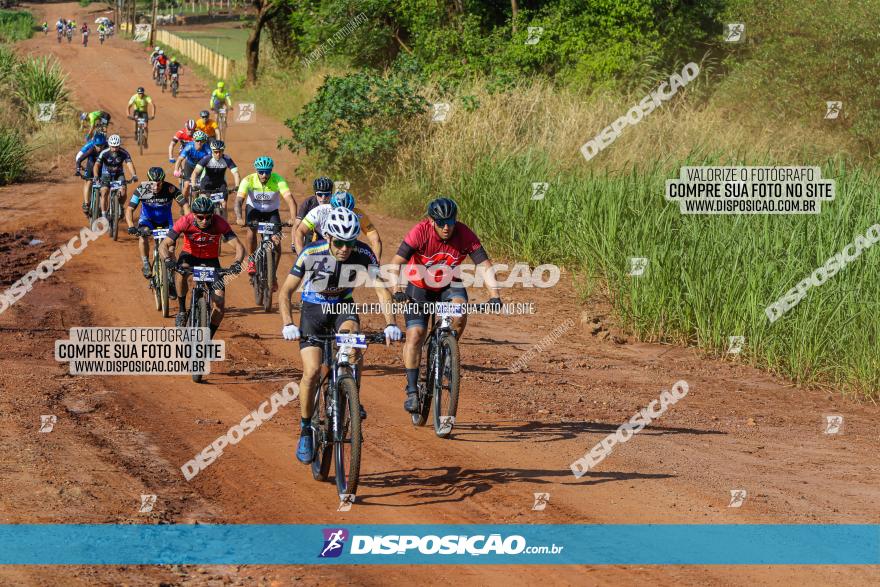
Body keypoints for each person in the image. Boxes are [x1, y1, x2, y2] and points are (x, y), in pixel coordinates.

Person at [278, 207, 401, 463]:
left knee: (354, 344)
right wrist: (288, 323)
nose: (345, 248)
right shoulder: (312, 252)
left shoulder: (363, 253)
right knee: (312, 372)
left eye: (351, 242)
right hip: (313, 309)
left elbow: (382, 290)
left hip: (342, 307)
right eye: (340, 242)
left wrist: (391, 323)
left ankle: (351, 393)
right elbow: (285, 292)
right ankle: (305, 430)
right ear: (329, 238)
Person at [387, 197, 502, 413]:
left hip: (449, 283)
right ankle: (412, 390)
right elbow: (395, 264)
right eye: (441, 222)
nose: (446, 227)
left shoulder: (464, 233)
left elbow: (485, 265)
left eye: (450, 221)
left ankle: (448, 352)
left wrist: (495, 295)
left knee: (459, 312)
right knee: (416, 334)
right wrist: (397, 290)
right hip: (418, 285)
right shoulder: (419, 232)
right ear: (431, 221)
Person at [158, 195, 246, 332]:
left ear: (212, 215)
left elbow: (239, 247)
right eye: (200, 217)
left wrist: (237, 263)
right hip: (189, 255)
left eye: (208, 217)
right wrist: (168, 259)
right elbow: (164, 244)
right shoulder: (185, 221)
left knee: (220, 304)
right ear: (194, 215)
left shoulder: (219, 223)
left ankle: (207, 338)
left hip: (210, 260)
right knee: (181, 274)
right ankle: (182, 311)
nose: (204, 221)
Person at [235, 156, 297, 282]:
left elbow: (290, 200)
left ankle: (273, 275)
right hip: (254, 210)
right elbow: (238, 201)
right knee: (252, 229)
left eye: (267, 172)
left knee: (277, 243)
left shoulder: (278, 180)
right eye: (261, 172)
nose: (264, 175)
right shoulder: (248, 180)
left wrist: (293, 218)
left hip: (271, 212)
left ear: (271, 171)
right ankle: (252, 260)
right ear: (256, 170)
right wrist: (239, 217)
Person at [125, 167, 189, 280]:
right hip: (147, 221)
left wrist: (188, 222)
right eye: (152, 184)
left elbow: (185, 205)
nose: (155, 187)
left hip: (165, 221)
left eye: (158, 184)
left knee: (171, 248)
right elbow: (130, 209)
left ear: (163, 181)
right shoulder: (143, 189)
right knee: (143, 235)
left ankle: (170, 277)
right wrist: (131, 226)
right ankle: (145, 263)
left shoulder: (170, 189)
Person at [294, 191, 382, 259]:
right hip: (321, 246)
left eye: (348, 211)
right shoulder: (319, 212)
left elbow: (375, 239)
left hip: (345, 250)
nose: (343, 215)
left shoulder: (359, 214)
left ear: (353, 209)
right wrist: (302, 258)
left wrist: (375, 263)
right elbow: (300, 232)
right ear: (330, 207)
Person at [190, 139, 240, 217]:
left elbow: (236, 173)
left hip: (220, 184)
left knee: (223, 204)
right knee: (203, 203)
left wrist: (237, 186)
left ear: (223, 151)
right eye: (215, 152)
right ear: (212, 150)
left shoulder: (227, 159)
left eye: (220, 151)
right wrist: (193, 185)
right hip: (206, 183)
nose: (218, 154)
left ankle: (225, 226)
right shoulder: (207, 158)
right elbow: (195, 172)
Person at [92, 134, 138, 220]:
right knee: (104, 192)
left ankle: (120, 206)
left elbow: (129, 164)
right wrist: (96, 176)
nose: (114, 149)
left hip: (119, 174)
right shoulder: (104, 153)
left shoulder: (124, 153)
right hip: (106, 174)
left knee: (123, 191)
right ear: (109, 145)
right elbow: (97, 165)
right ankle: (104, 215)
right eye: (113, 147)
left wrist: (134, 175)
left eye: (116, 146)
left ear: (119, 145)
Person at [75, 132, 108, 217]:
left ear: (105, 143)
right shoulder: (91, 148)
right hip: (91, 165)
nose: (100, 148)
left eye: (102, 145)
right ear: (94, 144)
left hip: (103, 167)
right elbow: (79, 158)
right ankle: (86, 203)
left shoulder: (108, 147)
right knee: (88, 181)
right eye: (97, 145)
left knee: (105, 185)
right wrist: (78, 169)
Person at [173, 130, 211, 201]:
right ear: (194, 140)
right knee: (186, 185)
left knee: (201, 187)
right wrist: (176, 170)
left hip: (201, 168)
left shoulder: (206, 147)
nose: (199, 142)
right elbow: (180, 159)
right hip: (190, 166)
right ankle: (183, 203)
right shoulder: (189, 146)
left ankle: (197, 201)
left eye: (201, 140)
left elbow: (211, 159)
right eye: (197, 140)